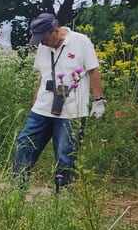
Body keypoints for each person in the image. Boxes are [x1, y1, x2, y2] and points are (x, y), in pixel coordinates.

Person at [11, 12, 105, 191]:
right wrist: (36, 98)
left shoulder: (81, 41)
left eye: (43, 38)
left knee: (65, 151)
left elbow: (93, 71)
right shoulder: (44, 46)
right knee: (25, 142)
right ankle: (17, 186)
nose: (41, 42)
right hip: (43, 107)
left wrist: (98, 100)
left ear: (55, 31)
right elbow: (43, 74)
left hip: (72, 110)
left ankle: (62, 192)